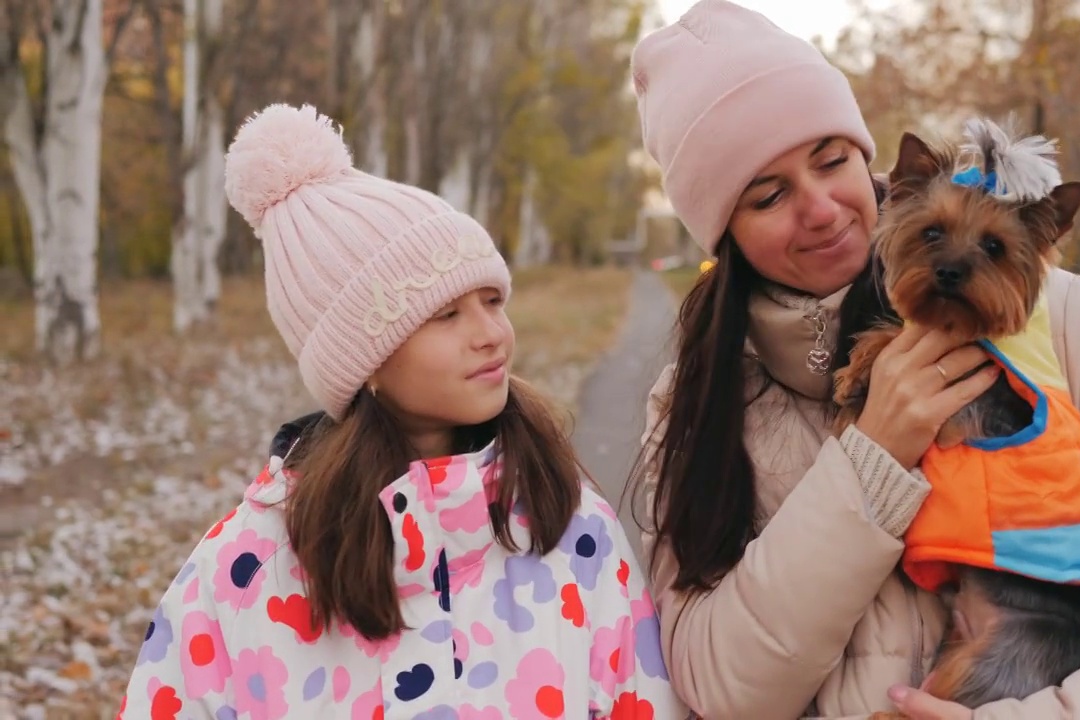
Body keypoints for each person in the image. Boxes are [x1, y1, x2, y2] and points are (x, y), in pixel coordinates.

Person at [625, 1, 1080, 718]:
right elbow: (717, 686)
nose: (819, 208)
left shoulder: (1051, 321)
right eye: (769, 194)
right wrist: (871, 460)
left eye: (832, 159)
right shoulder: (693, 401)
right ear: (723, 231)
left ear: (872, 158)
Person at [118, 103, 685, 719]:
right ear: (366, 363)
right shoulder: (248, 568)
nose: (492, 333)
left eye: (493, 300)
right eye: (447, 314)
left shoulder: (566, 522)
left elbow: (641, 696)